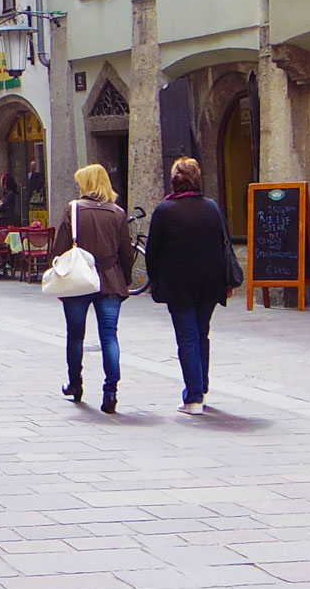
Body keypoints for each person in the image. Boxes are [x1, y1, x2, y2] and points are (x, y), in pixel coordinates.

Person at [145, 157, 233, 415]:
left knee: (188, 337)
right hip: (210, 283)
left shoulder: (164, 211)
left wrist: (156, 280)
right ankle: (201, 387)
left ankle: (193, 397)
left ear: (174, 181)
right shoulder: (212, 208)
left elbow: (153, 251)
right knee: (201, 334)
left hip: (179, 285)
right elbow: (222, 243)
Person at [50, 163, 138, 414]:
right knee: (109, 336)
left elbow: (60, 247)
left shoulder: (74, 209)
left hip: (78, 280)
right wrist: (126, 280)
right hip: (110, 279)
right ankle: (111, 391)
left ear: (86, 184)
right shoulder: (118, 213)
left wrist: (60, 277)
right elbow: (125, 251)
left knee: (75, 335)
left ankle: (75, 384)